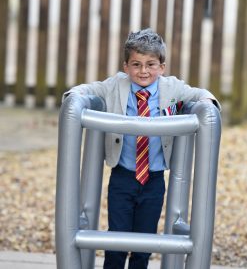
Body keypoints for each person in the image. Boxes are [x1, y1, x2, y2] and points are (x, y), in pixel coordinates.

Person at [64, 28, 221, 269]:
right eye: (136, 64)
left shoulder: (171, 88)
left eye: (151, 64)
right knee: (116, 238)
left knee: (144, 243)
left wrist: (209, 104)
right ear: (126, 66)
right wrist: (73, 98)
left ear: (162, 67)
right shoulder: (116, 85)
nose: (143, 71)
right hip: (123, 176)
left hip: (154, 179)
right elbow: (90, 90)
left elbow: (198, 94)